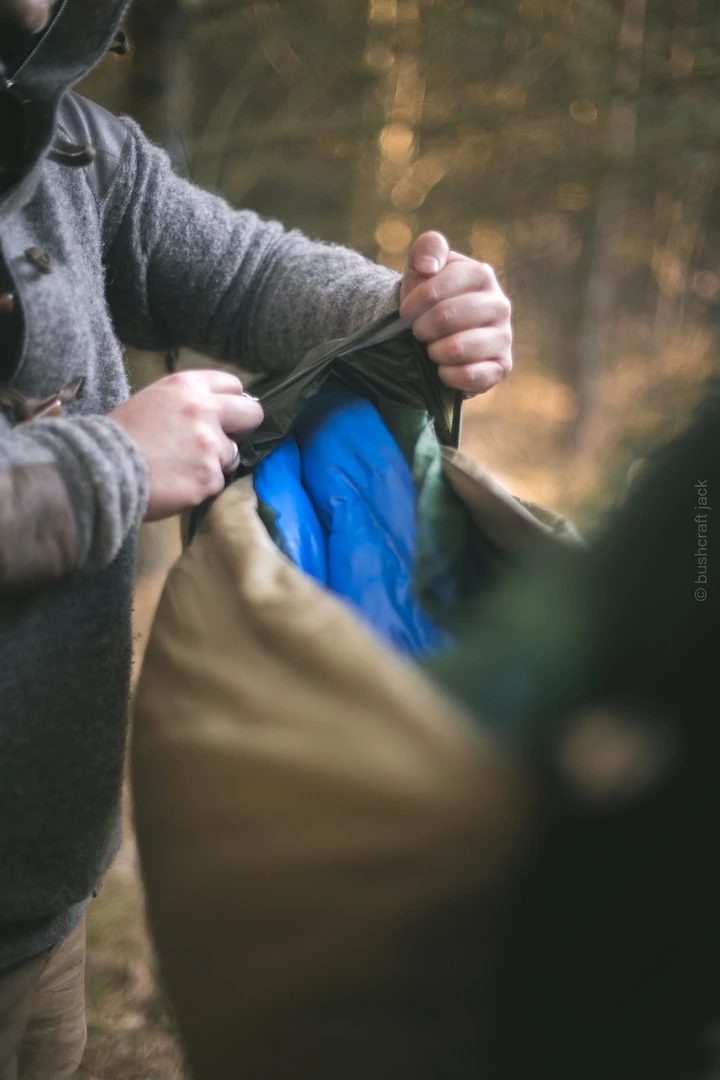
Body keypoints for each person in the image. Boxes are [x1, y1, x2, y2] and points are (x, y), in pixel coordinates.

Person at [0, 0, 513, 1074]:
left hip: (33, 913)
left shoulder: (73, 146)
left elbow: (242, 274)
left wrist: (415, 309)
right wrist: (112, 466)